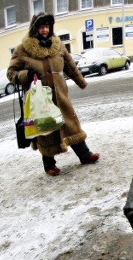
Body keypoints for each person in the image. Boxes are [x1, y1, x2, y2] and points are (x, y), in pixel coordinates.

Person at [7, 13, 99, 176]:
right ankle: (49, 165)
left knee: (71, 124)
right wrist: (25, 75)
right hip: (40, 98)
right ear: (34, 29)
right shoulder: (23, 50)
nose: (44, 30)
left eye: (47, 27)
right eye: (41, 27)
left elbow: (70, 66)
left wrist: (81, 81)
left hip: (61, 95)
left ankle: (85, 155)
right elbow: (11, 72)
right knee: (45, 128)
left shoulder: (58, 45)